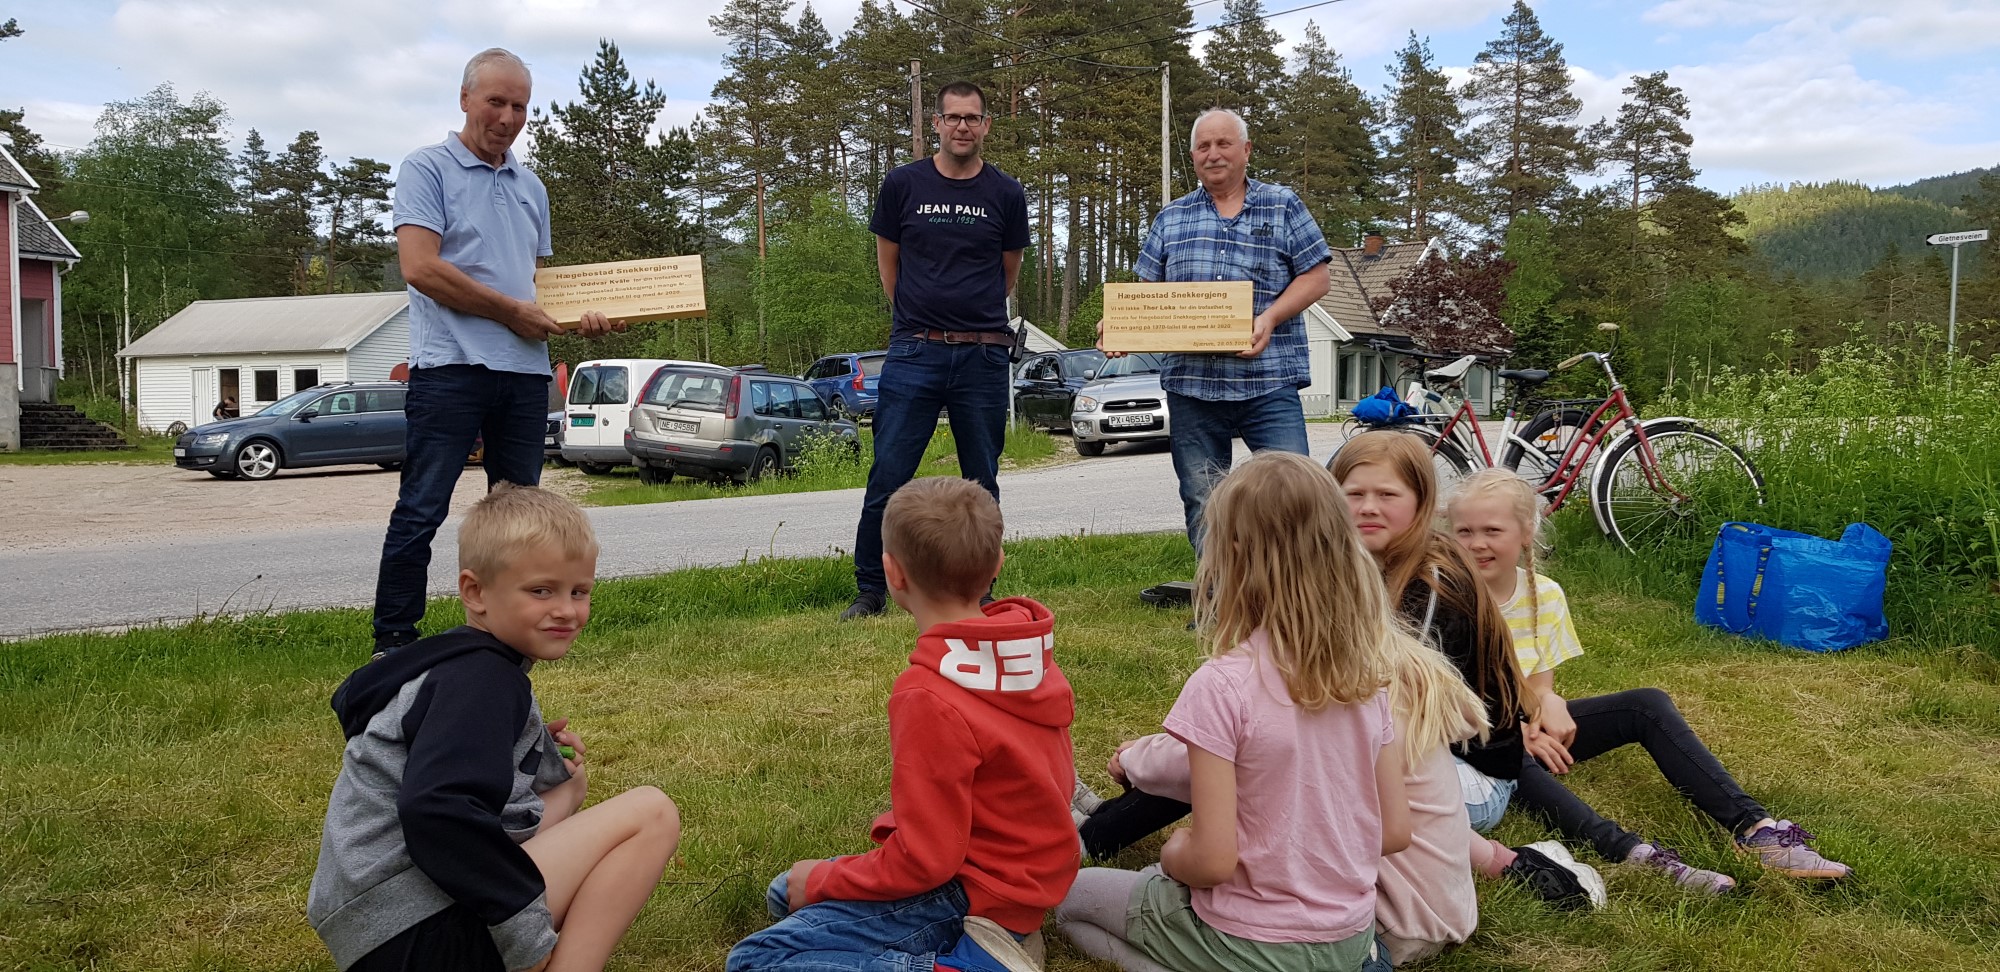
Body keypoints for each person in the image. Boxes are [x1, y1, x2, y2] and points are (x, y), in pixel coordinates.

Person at [1052, 452, 1408, 972]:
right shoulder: (1368, 677)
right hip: (1348, 940)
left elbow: (1211, 863)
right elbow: (1394, 830)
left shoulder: (1222, 685)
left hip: (1245, 939)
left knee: (1071, 902)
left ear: (1233, 554)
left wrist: (1173, 853)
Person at [308, 485, 680, 972]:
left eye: (579, 591)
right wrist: (525, 934)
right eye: (541, 590)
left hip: (378, 929)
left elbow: (477, 805)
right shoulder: (481, 679)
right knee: (651, 813)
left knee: (565, 800)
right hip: (414, 927)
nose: (566, 609)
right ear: (476, 592)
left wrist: (546, 770)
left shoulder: (453, 668)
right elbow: (436, 810)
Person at [1445, 468, 1853, 889]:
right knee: (1517, 757)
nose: (1477, 543)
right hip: (1471, 737)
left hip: (1525, 724)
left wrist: (1546, 701)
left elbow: (1538, 683)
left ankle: (1756, 829)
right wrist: (1515, 731)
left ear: (1526, 531)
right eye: (1464, 531)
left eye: (1492, 530)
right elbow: (1443, 696)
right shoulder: (1441, 597)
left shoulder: (1545, 594)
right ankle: (1635, 854)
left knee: (1646, 704)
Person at [729, 476, 1074, 972]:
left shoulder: (928, 694)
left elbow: (927, 860)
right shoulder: (1021, 648)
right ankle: (999, 942)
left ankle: (964, 963)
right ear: (997, 563)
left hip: (973, 890)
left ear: (893, 573)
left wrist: (825, 879)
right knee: (786, 896)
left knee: (758, 956)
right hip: (1026, 882)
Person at [373, 47, 625, 654]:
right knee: (422, 510)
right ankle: (394, 642)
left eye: (520, 106)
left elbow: (539, 290)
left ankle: (503, 638)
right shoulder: (426, 169)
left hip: (523, 373)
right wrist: (513, 312)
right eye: (495, 102)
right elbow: (421, 268)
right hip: (450, 368)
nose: (508, 117)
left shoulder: (531, 187)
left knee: (521, 524)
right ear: (465, 100)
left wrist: (578, 317)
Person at [1330, 431, 1606, 909]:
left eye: (1387, 495)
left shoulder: (1433, 582)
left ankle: (1507, 861)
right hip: (1404, 751)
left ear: (1421, 505)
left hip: (1470, 769)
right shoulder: (1349, 568)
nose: (1368, 507)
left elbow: (1397, 711)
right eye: (1354, 494)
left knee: (1326, 789)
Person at [842, 80, 1030, 621]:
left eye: (973, 118)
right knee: (889, 474)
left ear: (986, 125)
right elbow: (889, 266)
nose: (963, 127)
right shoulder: (903, 185)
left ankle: (980, 590)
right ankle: (871, 590)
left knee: (982, 482)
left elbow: (1007, 272)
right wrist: (920, 320)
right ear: (937, 125)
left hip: (984, 356)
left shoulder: (1006, 194)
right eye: (954, 118)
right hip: (915, 352)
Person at [1113, 107, 1332, 560]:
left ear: (1246, 150)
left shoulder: (1282, 203)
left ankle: (1297, 598)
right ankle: (1217, 600)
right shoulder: (1171, 217)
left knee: (1295, 494)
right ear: (1193, 156)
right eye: (1203, 146)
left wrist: (1268, 318)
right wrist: (1119, 323)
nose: (1213, 154)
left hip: (1269, 380)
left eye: (1224, 144)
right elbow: (1147, 293)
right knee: (1203, 498)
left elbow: (1317, 277)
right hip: (1193, 386)